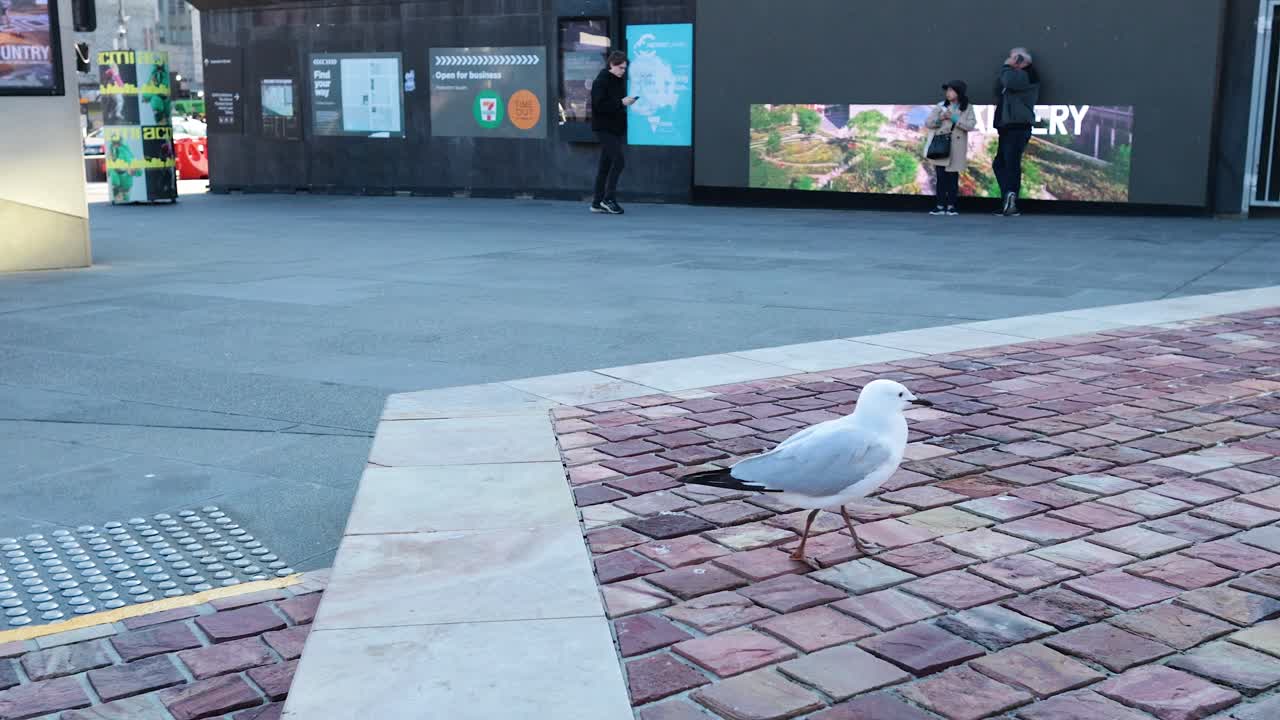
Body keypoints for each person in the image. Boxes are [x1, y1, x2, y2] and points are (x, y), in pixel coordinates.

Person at [992, 47, 1040, 216]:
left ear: (1022, 60)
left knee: (1011, 163)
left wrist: (1006, 67)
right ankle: (1008, 197)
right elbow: (1000, 87)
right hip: (1007, 126)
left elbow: (1009, 82)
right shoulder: (1014, 76)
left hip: (1018, 126)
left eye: (1013, 58)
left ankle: (1011, 199)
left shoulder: (1027, 74)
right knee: (1000, 163)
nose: (1009, 61)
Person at [590, 51, 637, 215]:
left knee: (606, 165)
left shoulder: (617, 81)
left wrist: (623, 103)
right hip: (604, 128)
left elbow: (614, 105)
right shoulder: (601, 81)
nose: (623, 71)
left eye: (625, 68)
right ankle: (608, 199)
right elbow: (599, 105)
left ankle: (597, 202)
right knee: (618, 161)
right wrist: (621, 102)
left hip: (614, 128)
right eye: (620, 67)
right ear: (611, 64)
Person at [924, 80, 977, 216]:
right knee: (940, 177)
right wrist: (940, 119)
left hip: (957, 147)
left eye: (951, 90)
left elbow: (970, 125)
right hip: (941, 145)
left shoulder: (967, 107)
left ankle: (952, 206)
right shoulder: (940, 106)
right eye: (947, 91)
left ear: (959, 92)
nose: (948, 93)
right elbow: (928, 123)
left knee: (953, 177)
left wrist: (953, 118)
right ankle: (940, 205)